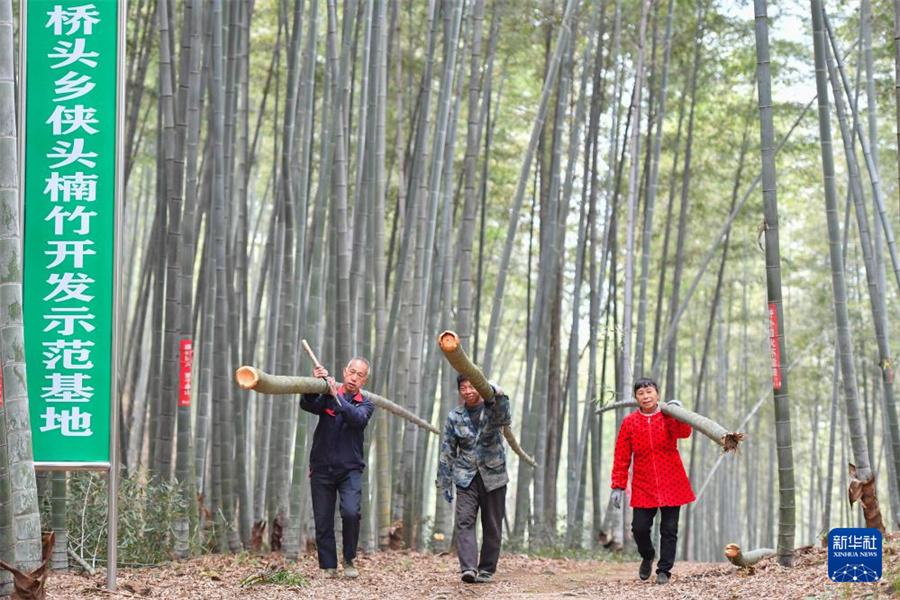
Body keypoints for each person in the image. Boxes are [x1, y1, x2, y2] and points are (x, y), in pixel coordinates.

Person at [610, 377, 694, 585]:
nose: (646, 396)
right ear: (636, 397)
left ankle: (664, 570)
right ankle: (647, 556)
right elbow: (622, 455)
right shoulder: (630, 422)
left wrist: (679, 412)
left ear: (657, 394)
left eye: (650, 392)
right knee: (639, 528)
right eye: (641, 393)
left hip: (672, 481)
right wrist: (618, 486)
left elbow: (685, 433)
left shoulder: (668, 416)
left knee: (669, 529)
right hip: (643, 484)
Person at [300, 357, 375, 579]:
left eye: (359, 375)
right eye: (351, 372)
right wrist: (315, 385)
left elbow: (357, 419)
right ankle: (328, 566)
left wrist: (337, 396)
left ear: (365, 380)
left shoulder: (366, 404)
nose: (354, 377)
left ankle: (349, 558)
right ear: (344, 371)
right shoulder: (328, 394)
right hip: (321, 467)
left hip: (349, 470)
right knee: (322, 518)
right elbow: (307, 404)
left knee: (351, 512)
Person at [437, 375, 511, 584]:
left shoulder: (493, 407)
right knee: (464, 521)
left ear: (479, 387)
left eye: (472, 386)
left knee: (492, 523)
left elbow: (505, 417)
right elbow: (448, 449)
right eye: (463, 387)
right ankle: (468, 568)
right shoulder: (455, 416)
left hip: (494, 475)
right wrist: (445, 481)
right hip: (466, 476)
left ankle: (486, 568)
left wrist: (498, 392)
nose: (468, 391)